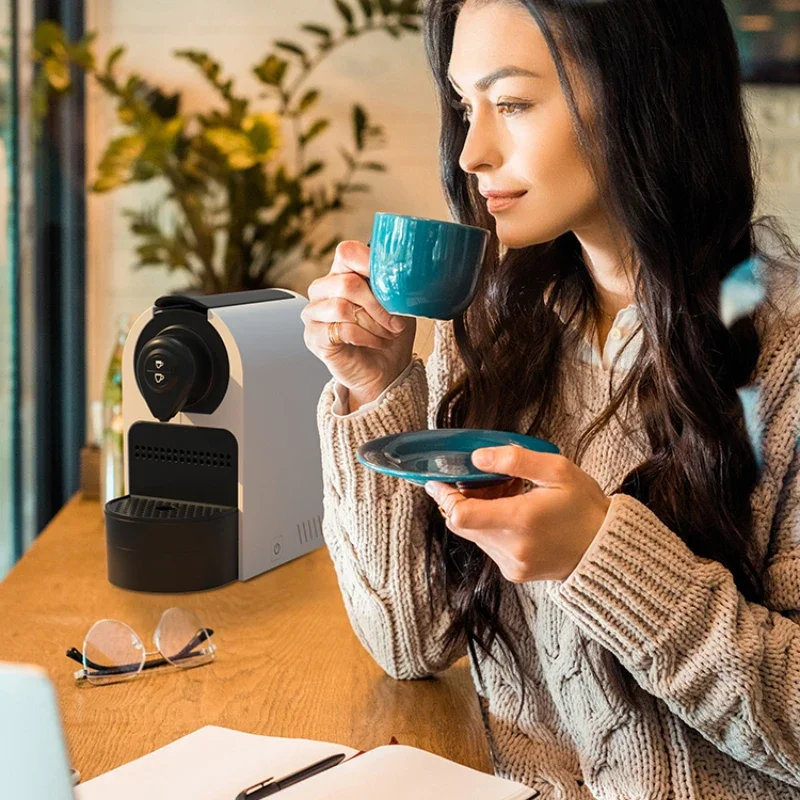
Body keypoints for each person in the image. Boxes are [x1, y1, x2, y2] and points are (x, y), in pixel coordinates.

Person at [301, 0, 800, 797]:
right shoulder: (496, 330)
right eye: (465, 106)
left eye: (513, 103)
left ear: (648, 94)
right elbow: (407, 640)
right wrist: (379, 385)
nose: (470, 152)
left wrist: (601, 554)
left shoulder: (788, 357)